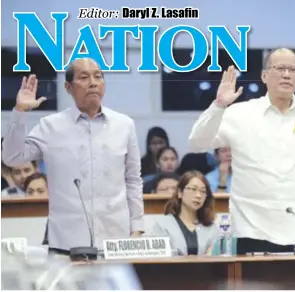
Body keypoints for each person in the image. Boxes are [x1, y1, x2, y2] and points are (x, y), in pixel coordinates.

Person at [188, 48, 295, 254]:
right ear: (264, 76)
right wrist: (218, 106)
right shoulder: (240, 114)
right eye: (280, 68)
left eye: (292, 70)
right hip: (252, 233)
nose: (287, 74)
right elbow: (197, 143)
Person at [2, 58, 145, 255]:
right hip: (65, 245)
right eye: (84, 77)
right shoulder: (50, 126)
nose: (93, 82)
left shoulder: (124, 125)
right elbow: (12, 157)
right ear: (69, 87)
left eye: (98, 76)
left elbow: (133, 180)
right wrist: (20, 112)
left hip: (114, 243)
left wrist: (137, 227)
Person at [152, 171, 219, 255]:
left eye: (203, 191)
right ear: (180, 193)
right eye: (193, 189)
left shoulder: (211, 227)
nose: (198, 195)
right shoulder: (163, 225)